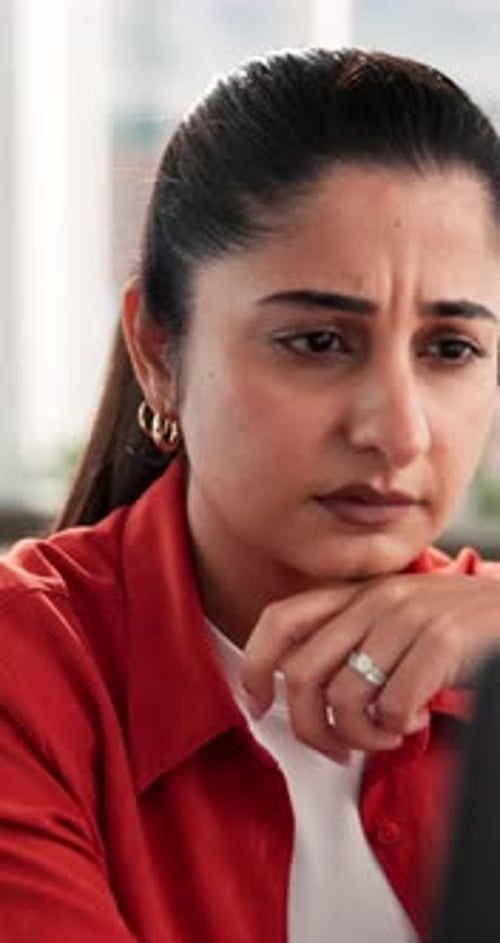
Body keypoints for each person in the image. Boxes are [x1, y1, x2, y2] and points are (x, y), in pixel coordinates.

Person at [2, 46, 500, 943]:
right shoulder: (25, 680)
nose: (400, 430)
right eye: (316, 341)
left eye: (449, 350)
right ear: (160, 350)